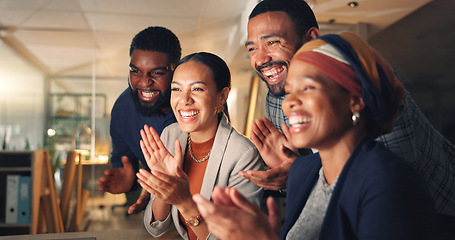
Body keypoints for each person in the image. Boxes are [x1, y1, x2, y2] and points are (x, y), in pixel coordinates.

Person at [194, 32, 436, 240]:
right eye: (289, 91)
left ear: (355, 99)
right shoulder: (302, 171)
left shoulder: (388, 180)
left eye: (308, 87)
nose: (290, 103)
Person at [240, 0, 455, 216]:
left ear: (311, 38)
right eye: (252, 48)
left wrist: (299, 172)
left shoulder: (363, 85)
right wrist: (289, 173)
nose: (260, 59)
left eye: (273, 42)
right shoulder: (278, 99)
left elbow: (382, 181)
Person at [136, 52, 264, 240]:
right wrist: (165, 187)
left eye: (197, 89)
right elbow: (156, 228)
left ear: (222, 96)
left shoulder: (243, 155)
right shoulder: (171, 135)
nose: (184, 100)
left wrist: (185, 203)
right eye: (176, 89)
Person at [96, 26, 181, 213]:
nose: (144, 83)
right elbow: (124, 161)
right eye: (135, 71)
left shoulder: (198, 102)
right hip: (161, 214)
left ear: (176, 71)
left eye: (156, 73)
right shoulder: (122, 109)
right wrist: (131, 181)